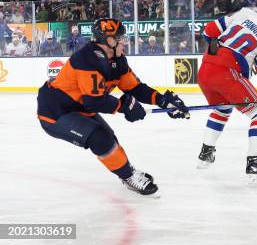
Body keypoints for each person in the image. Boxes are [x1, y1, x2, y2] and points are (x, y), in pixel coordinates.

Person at [36, 18, 190, 196]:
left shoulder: (117, 60)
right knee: (100, 138)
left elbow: (135, 88)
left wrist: (163, 101)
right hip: (55, 112)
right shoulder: (87, 60)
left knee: (109, 137)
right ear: (107, 40)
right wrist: (123, 106)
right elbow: (93, 101)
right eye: (120, 37)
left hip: (78, 107)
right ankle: (128, 175)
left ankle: (126, 171)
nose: (124, 41)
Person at [196, 1, 257, 182]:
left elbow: (208, 32)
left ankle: (206, 153)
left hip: (205, 69)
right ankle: (254, 162)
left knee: (222, 109)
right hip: (227, 73)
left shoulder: (245, 13)